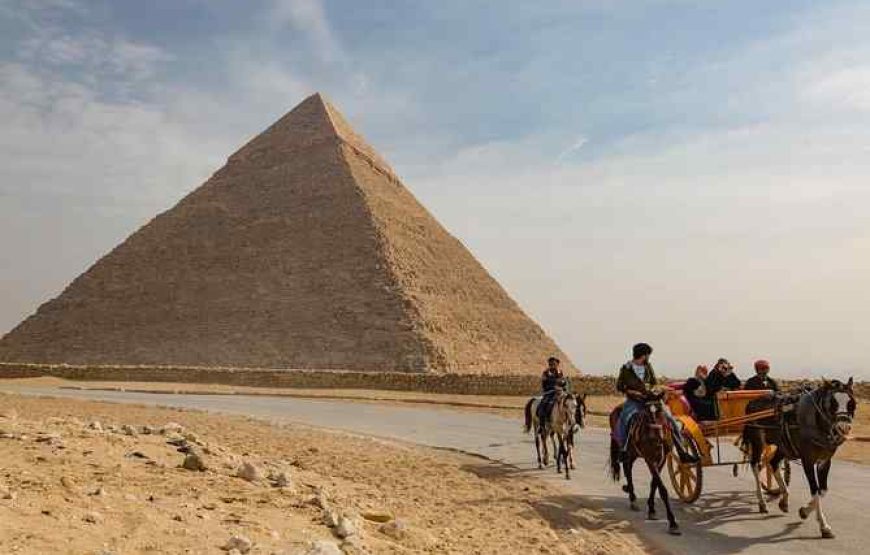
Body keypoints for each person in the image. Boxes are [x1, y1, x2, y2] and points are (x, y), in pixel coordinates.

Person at [615, 343, 699, 463]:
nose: (648, 357)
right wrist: (631, 392)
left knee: (670, 420)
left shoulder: (648, 366)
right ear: (643, 355)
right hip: (635, 401)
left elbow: (654, 383)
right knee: (624, 419)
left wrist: (660, 389)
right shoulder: (626, 368)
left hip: (651, 400)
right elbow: (619, 386)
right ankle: (623, 450)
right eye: (647, 355)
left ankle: (682, 452)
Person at [536, 356, 567, 429]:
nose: (553, 366)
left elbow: (563, 381)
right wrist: (553, 386)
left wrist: (563, 384)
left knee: (569, 403)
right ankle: (542, 424)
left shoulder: (560, 372)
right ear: (549, 364)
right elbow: (544, 383)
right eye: (551, 364)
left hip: (560, 392)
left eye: (555, 364)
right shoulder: (546, 373)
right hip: (549, 393)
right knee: (543, 405)